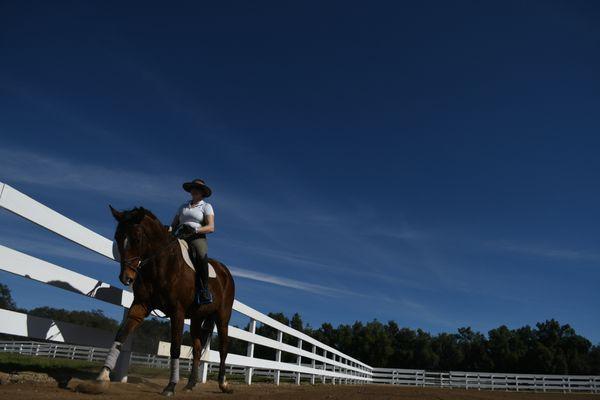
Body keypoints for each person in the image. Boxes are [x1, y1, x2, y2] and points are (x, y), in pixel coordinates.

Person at [170, 178, 215, 305]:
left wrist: (194, 230)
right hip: (180, 235)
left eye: (198, 188)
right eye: (193, 188)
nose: (194, 190)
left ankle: (204, 290)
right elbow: (174, 225)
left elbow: (211, 227)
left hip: (196, 237)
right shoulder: (183, 206)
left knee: (201, 255)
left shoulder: (206, 206)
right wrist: (167, 230)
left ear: (202, 192)